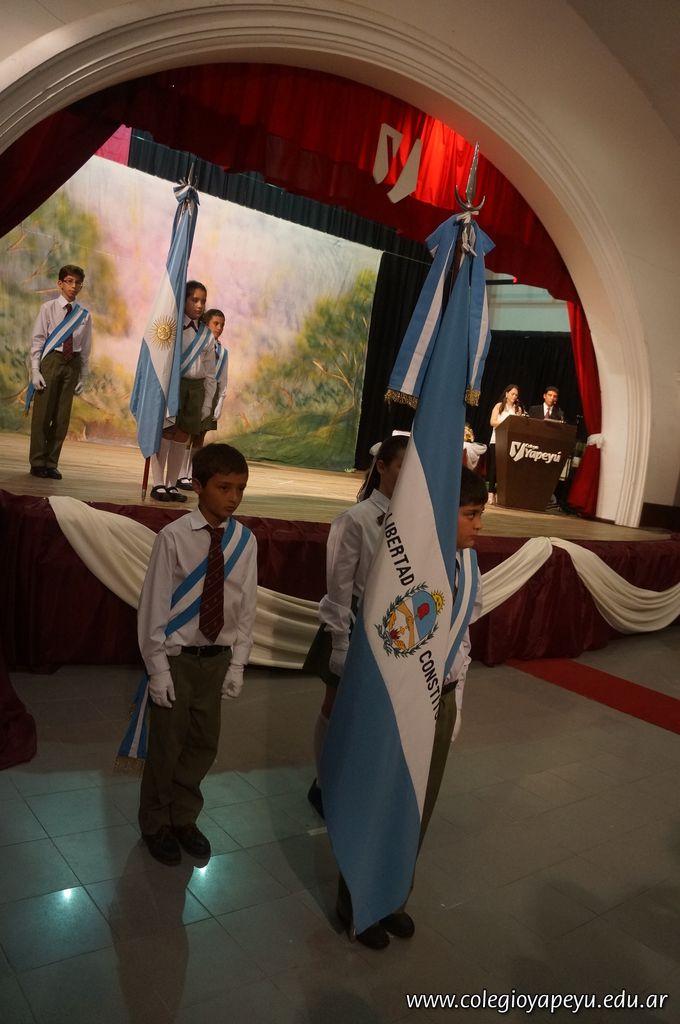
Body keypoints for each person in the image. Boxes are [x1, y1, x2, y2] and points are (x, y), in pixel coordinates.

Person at [336, 465, 486, 949]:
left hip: (441, 700)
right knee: (379, 799)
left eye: (481, 513)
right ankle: (358, 901)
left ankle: (393, 896)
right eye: (470, 514)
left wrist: (456, 704)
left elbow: (463, 638)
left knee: (418, 805)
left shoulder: (469, 563)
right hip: (400, 699)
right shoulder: (408, 564)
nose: (479, 524)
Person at [137, 442, 257, 865]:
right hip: (178, 660)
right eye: (224, 487)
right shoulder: (174, 538)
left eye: (240, 488)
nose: (234, 497)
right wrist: (157, 669)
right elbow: (154, 605)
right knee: (166, 745)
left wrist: (238, 663)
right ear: (199, 486)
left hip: (217, 659)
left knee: (203, 743)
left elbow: (246, 606)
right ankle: (155, 821)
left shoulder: (245, 541)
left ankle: (183, 817)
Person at [304, 434, 409, 817]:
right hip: (352, 625)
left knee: (375, 711)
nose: (408, 477)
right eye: (401, 467)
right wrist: (340, 642)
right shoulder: (356, 519)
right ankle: (323, 783)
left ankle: (354, 778)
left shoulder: (414, 522)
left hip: (394, 631)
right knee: (335, 706)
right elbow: (338, 587)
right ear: (381, 467)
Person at [149, 280, 216, 503]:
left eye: (203, 301)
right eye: (194, 300)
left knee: (183, 435)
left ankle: (171, 484)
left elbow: (210, 373)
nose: (199, 305)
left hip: (195, 389)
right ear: (184, 300)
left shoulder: (206, 335)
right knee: (167, 431)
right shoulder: (172, 327)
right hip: (174, 385)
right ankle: (158, 483)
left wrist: (207, 402)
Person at [28, 264, 92, 480]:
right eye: (70, 281)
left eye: (78, 283)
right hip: (51, 361)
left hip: (72, 363)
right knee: (43, 415)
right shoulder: (48, 308)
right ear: (60, 283)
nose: (74, 286)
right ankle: (38, 462)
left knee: (61, 417)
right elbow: (38, 340)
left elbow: (86, 348)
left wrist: (82, 376)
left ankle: (51, 462)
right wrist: (35, 370)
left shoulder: (84, 315)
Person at [176, 308, 228, 490]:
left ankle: (191, 474)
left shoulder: (223, 352)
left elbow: (223, 379)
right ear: (206, 324)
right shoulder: (197, 343)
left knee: (199, 437)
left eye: (222, 325)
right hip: (197, 391)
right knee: (187, 434)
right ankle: (180, 474)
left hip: (211, 395)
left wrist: (220, 401)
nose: (219, 328)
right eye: (216, 323)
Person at [487, 383, 523, 504]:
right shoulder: (499, 406)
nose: (514, 396)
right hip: (496, 440)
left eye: (516, 395)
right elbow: (492, 422)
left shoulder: (518, 409)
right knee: (494, 467)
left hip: (510, 442)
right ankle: (490, 492)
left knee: (505, 469)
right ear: (507, 394)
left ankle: (500, 493)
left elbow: (519, 426)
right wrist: (506, 424)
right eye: (512, 394)